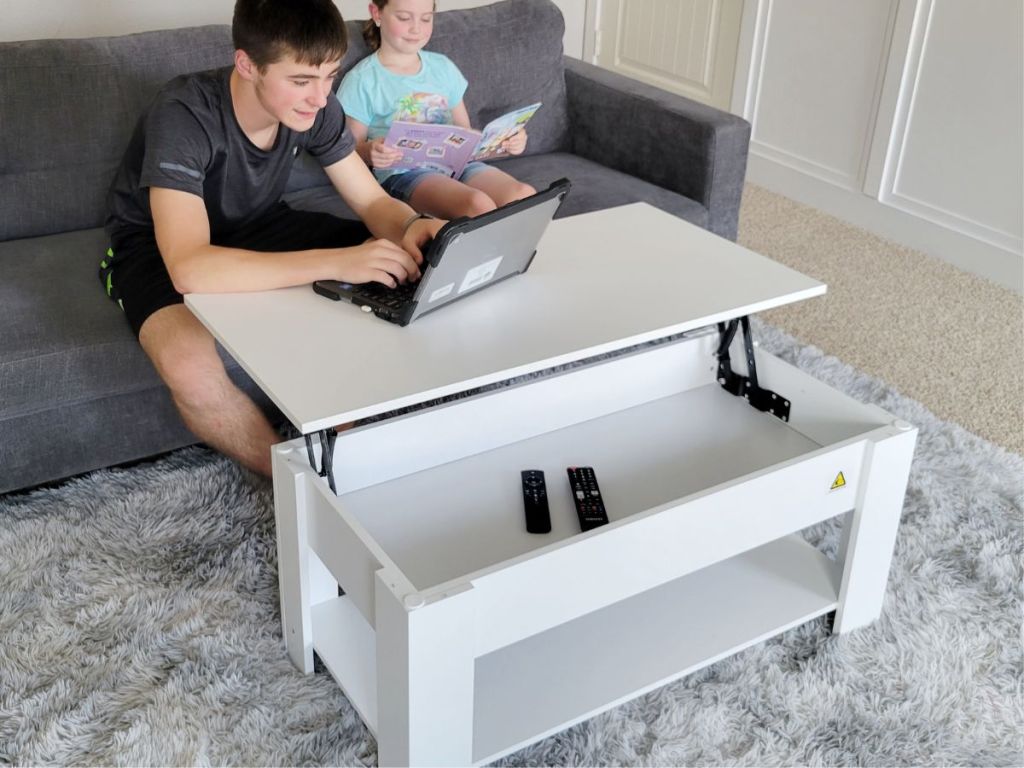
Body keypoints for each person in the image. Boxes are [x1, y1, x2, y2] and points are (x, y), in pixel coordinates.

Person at [101, 0, 445, 477]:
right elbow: (190, 267)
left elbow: (371, 203)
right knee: (188, 367)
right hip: (155, 244)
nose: (320, 98)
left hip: (261, 224)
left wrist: (413, 225)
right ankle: (299, 487)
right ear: (247, 64)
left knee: (407, 263)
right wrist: (338, 263)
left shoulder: (320, 105)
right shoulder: (184, 112)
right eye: (301, 81)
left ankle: (347, 448)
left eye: (329, 76)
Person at [338, 0, 536, 219]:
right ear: (377, 13)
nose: (417, 28)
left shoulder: (443, 67)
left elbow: (465, 133)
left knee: (524, 196)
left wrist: (505, 141)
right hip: (405, 173)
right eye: (404, 18)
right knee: (477, 205)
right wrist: (370, 152)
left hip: (457, 164)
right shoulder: (362, 80)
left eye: (426, 18)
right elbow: (350, 151)